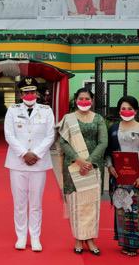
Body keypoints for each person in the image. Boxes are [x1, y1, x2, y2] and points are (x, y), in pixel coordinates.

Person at [4, 76, 55, 252]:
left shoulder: (46, 110)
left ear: (37, 93)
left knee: (35, 202)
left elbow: (50, 135)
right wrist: (25, 153)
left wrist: (36, 154)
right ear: (20, 94)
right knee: (19, 202)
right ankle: (21, 237)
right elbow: (9, 135)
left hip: (39, 163)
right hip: (18, 162)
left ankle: (35, 237)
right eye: (26, 92)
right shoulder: (12, 110)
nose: (29, 94)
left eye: (32, 91)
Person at [57, 88, 107, 255]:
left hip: (93, 167)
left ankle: (91, 239)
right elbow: (63, 142)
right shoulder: (68, 119)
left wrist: (90, 162)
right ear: (76, 100)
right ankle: (79, 238)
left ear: (92, 101)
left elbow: (103, 142)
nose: (84, 101)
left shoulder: (99, 119)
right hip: (73, 166)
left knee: (91, 204)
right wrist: (78, 160)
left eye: (87, 98)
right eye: (81, 98)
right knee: (76, 204)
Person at [106, 96, 139, 256]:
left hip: (137, 177)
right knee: (122, 210)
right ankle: (124, 243)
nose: (126, 111)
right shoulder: (113, 129)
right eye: (123, 108)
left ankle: (135, 244)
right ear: (119, 110)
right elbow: (108, 152)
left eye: (130, 108)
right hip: (119, 177)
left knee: (136, 211)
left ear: (136, 111)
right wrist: (110, 166)